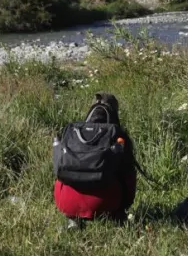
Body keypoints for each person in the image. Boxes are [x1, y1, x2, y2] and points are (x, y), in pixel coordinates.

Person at [53, 92, 137, 227]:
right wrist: (122, 207)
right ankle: (117, 217)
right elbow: (129, 179)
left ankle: (73, 218)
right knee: (127, 172)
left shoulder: (73, 132)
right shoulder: (118, 135)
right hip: (105, 204)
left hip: (65, 203)